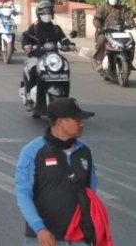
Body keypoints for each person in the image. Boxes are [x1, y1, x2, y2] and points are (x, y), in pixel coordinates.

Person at [15, 98, 109, 246]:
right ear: (60, 122)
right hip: (44, 238)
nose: (82, 124)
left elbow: (90, 192)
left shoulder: (84, 152)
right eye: (77, 120)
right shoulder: (33, 152)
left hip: (79, 238)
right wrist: (39, 229)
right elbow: (23, 195)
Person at [20, 1, 71, 111]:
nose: (47, 15)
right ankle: (29, 95)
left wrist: (69, 45)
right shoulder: (34, 27)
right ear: (39, 14)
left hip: (53, 57)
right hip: (37, 56)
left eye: (49, 12)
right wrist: (26, 46)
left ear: (52, 14)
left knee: (65, 66)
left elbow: (64, 40)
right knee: (33, 69)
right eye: (44, 13)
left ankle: (65, 96)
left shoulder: (56, 28)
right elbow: (25, 37)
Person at [92, 0, 135, 71]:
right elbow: (96, 19)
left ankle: (129, 62)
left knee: (131, 42)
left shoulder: (122, 8)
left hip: (120, 32)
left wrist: (132, 24)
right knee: (101, 42)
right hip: (105, 32)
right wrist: (100, 26)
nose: (113, 0)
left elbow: (128, 16)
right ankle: (99, 62)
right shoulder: (103, 7)